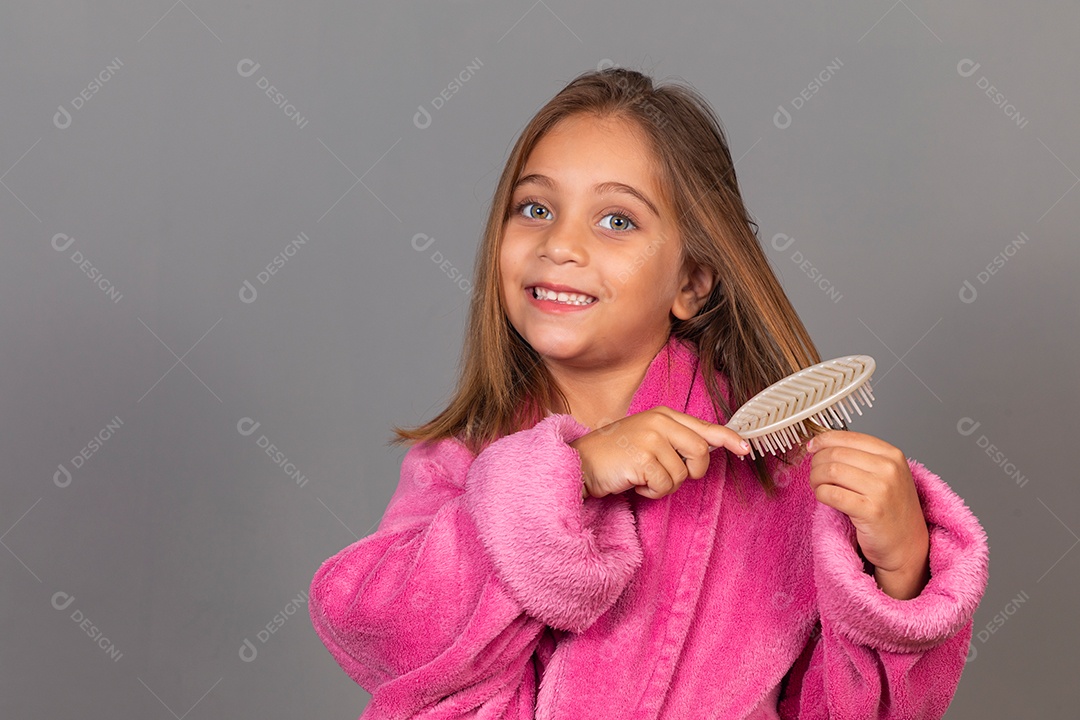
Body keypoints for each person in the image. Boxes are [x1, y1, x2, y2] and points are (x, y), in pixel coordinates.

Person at [308, 67, 989, 719]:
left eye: (617, 221)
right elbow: (378, 632)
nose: (560, 245)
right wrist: (569, 476)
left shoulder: (776, 482)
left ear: (692, 281)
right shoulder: (463, 461)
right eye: (535, 207)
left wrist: (901, 570)